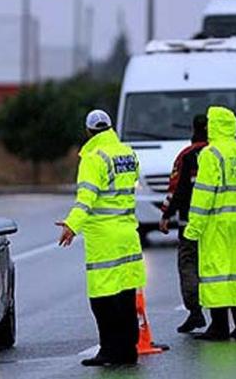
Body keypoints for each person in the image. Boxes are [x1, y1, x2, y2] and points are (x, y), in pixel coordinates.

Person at [56, 110, 146, 366]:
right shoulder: (127, 153)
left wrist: (72, 225)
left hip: (104, 237)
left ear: (88, 132)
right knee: (126, 295)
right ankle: (129, 351)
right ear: (110, 127)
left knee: (102, 298)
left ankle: (109, 350)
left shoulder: (93, 158)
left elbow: (86, 199)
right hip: (128, 232)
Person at [184, 106, 236, 341]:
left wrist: (193, 228)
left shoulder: (211, 154)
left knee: (216, 273)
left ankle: (219, 327)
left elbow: (203, 195)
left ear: (214, 126)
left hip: (217, 224)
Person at [159, 114, 209, 333]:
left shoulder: (186, 156)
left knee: (189, 265)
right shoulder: (219, 154)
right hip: (217, 224)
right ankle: (222, 316)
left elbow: (176, 189)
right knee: (215, 268)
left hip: (189, 223)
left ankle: (195, 312)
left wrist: (165, 214)